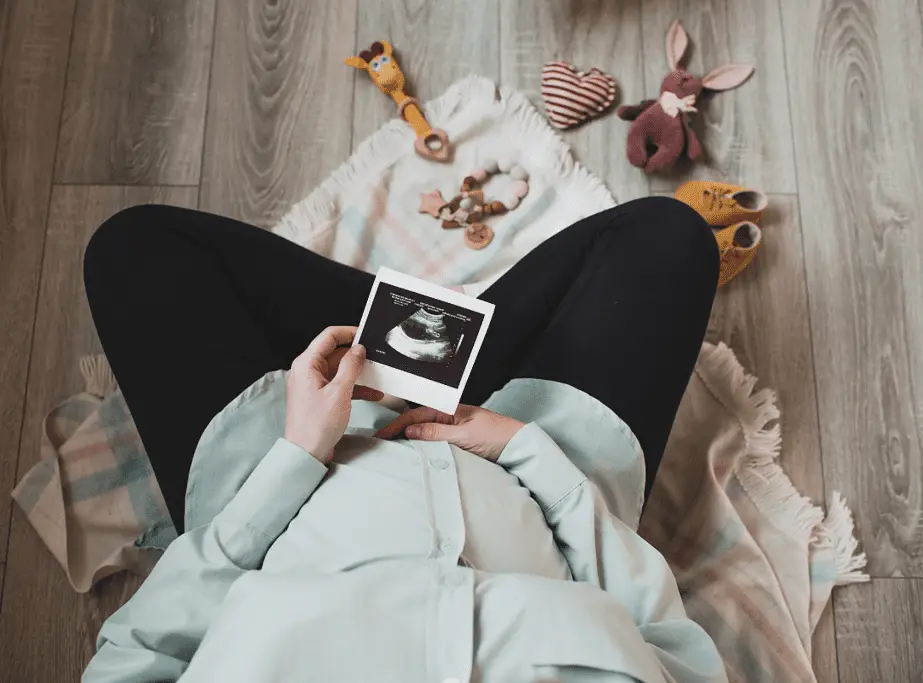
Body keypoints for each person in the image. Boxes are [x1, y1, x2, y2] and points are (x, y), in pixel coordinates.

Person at [80, 197, 726, 683]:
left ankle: (412, 342)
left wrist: (296, 454)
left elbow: (141, 645)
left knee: (136, 246)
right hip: (543, 455)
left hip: (275, 457)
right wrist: (529, 450)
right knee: (662, 237)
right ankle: (442, 345)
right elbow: (667, 640)